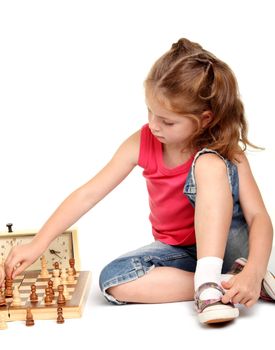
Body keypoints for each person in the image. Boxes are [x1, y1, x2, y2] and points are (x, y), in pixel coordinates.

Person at [1, 38, 274, 324]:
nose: (154, 125)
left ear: (204, 119)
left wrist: (255, 268)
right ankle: (225, 281)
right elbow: (89, 194)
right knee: (113, 280)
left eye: (167, 121)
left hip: (233, 246)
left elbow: (259, 218)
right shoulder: (142, 142)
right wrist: (38, 244)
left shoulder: (224, 149)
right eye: (150, 112)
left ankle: (213, 282)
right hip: (179, 253)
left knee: (207, 164)